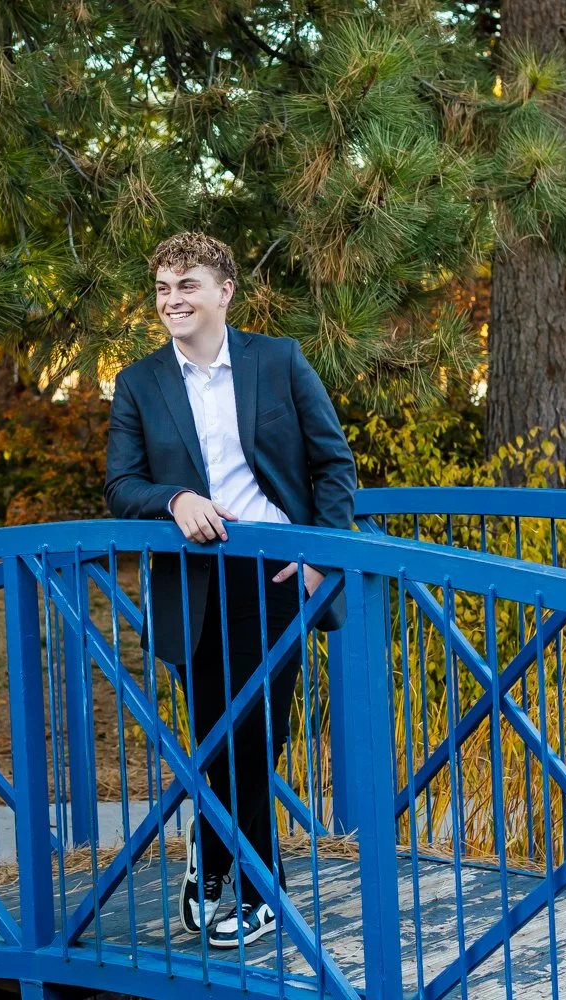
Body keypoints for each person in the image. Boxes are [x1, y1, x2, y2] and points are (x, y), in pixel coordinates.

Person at [104, 232, 357, 949]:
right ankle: (224, 865)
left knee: (258, 733)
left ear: (224, 291)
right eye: (161, 288)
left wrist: (317, 560)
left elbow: (333, 464)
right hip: (193, 579)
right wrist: (173, 498)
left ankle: (248, 885)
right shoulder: (139, 381)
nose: (172, 300)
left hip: (276, 573)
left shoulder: (278, 362)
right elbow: (121, 485)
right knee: (216, 736)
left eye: (186, 285)